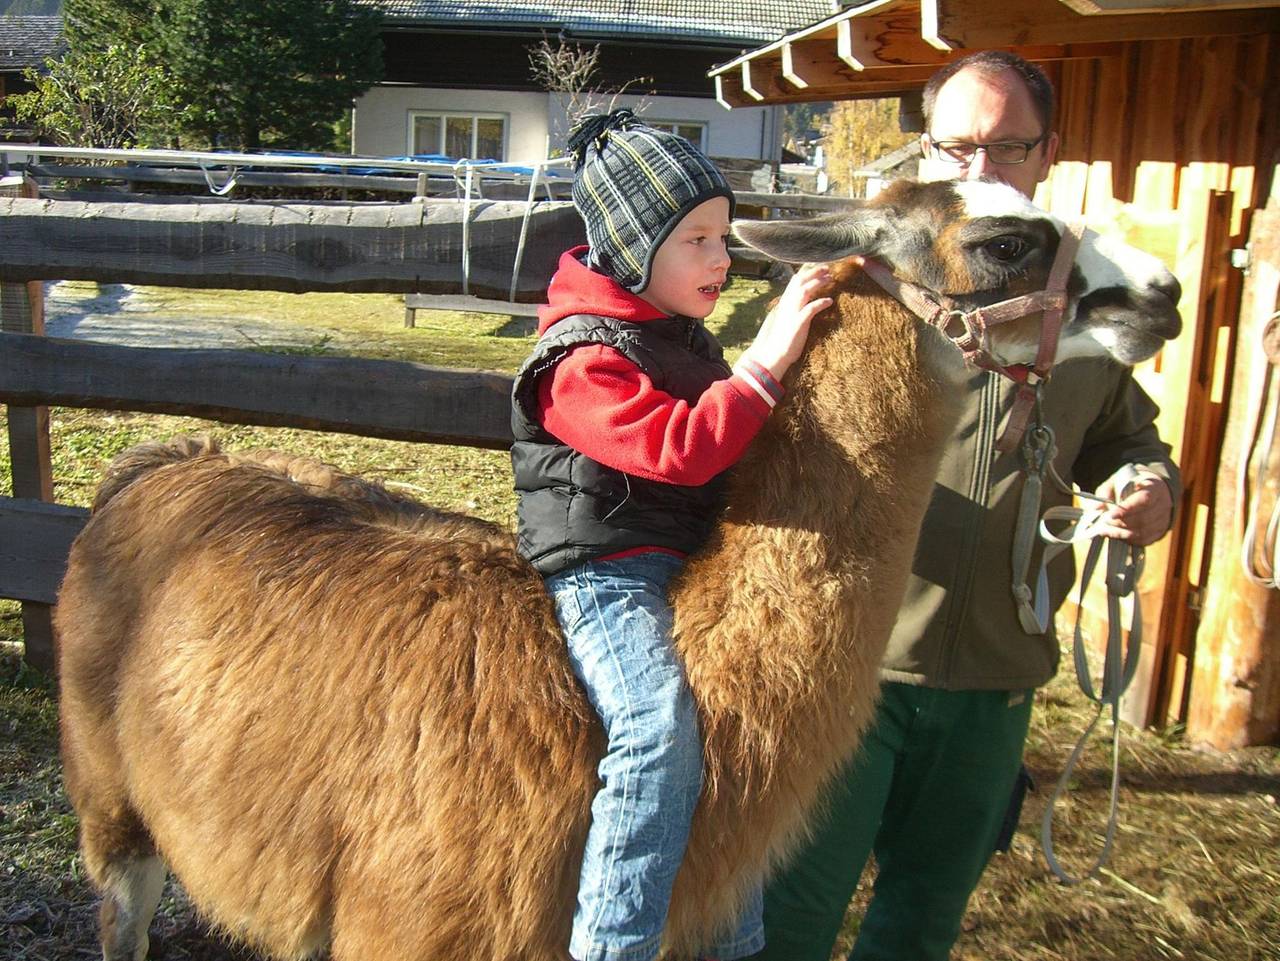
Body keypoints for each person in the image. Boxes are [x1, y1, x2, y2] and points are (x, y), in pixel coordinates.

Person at [751, 51, 1181, 961]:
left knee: (923, 919)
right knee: (787, 918)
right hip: (859, 668)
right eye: (955, 146)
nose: (977, 170)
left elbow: (1131, 442)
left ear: (1047, 150)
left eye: (1006, 146)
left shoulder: (1075, 301)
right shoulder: (860, 292)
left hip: (995, 675)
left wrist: (1149, 489)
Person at [510, 109, 833, 961]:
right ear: (630, 246)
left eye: (723, 237)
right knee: (656, 729)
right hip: (605, 575)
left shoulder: (678, 340)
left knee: (733, 734)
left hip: (684, 569)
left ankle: (732, 938)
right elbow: (679, 450)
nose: (722, 260)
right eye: (696, 239)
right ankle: (613, 943)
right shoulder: (579, 359)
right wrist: (765, 362)